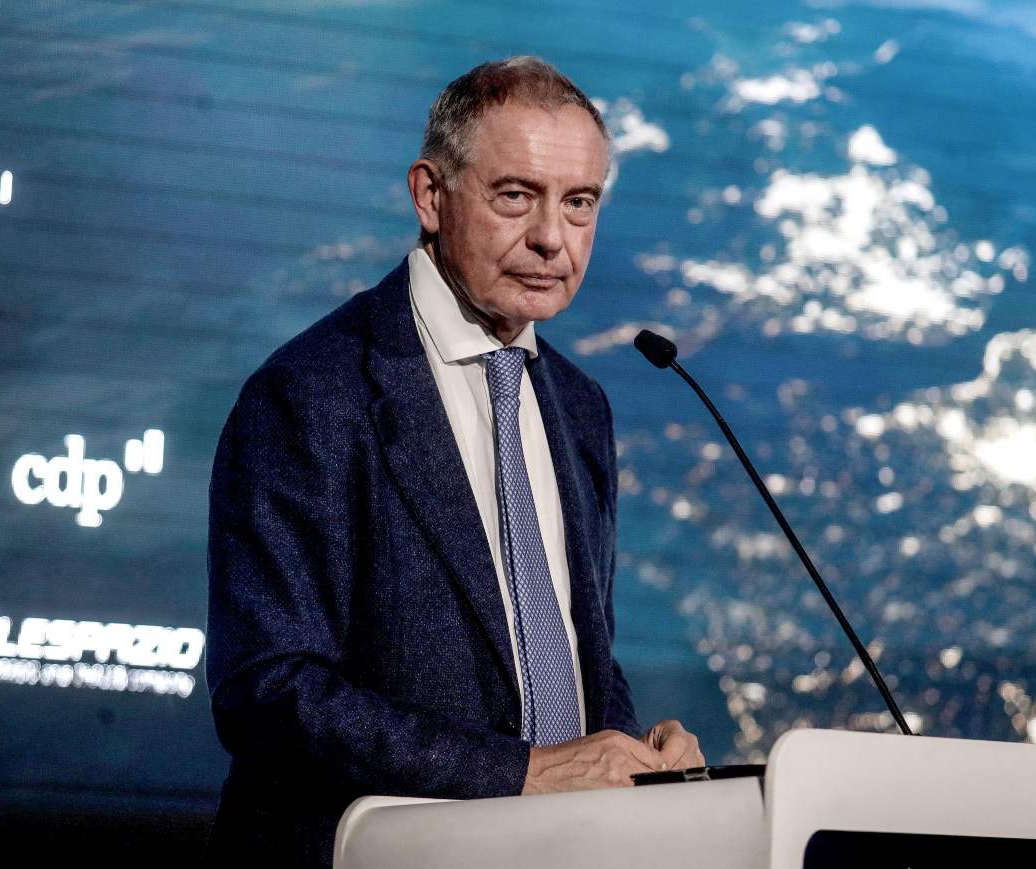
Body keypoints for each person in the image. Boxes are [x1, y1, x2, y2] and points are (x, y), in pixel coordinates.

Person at [205, 56, 704, 866]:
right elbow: (268, 688)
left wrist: (632, 752)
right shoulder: (313, 392)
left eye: (579, 203)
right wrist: (520, 773)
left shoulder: (580, 407)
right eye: (516, 196)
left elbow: (570, 650)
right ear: (430, 196)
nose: (552, 238)